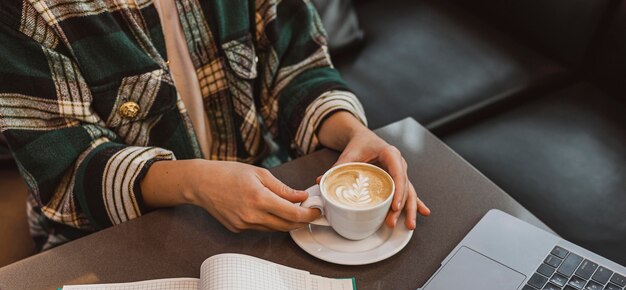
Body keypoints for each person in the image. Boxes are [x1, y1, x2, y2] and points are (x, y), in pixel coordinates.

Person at [0, 0, 429, 251]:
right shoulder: (27, 11)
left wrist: (351, 131)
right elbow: (66, 170)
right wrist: (195, 182)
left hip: (267, 209)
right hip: (111, 240)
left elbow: (297, 67)